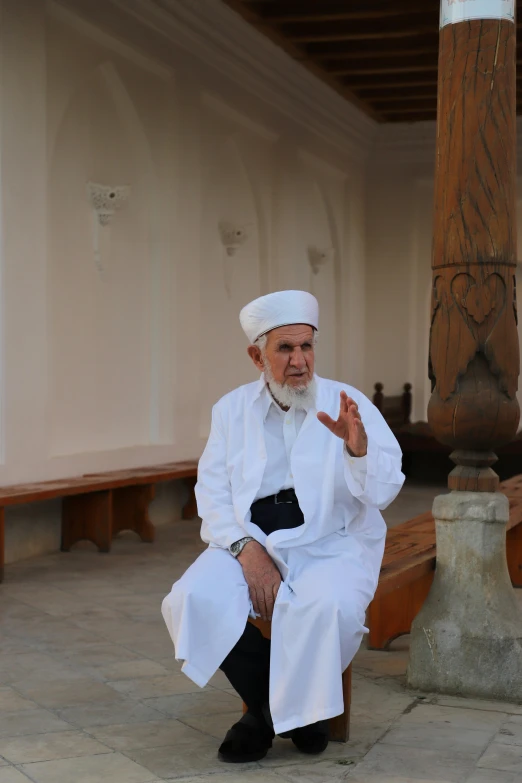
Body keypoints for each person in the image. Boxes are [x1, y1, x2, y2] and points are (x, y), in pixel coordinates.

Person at [162, 290, 404, 763]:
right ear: (257, 355)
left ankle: (260, 717)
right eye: (285, 349)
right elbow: (211, 493)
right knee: (193, 598)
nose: (300, 361)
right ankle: (298, 715)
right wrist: (246, 550)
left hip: (332, 539)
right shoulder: (230, 410)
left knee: (327, 608)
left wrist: (358, 452)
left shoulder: (346, 402)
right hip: (251, 537)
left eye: (307, 347)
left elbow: (384, 491)